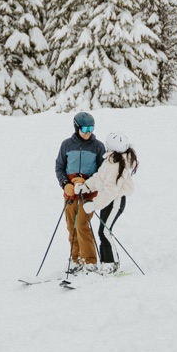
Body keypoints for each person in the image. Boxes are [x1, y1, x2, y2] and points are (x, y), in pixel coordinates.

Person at [54, 111, 105, 272]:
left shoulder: (98, 146)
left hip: (88, 194)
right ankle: (75, 259)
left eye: (91, 128)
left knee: (82, 223)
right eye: (85, 128)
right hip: (70, 193)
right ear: (77, 128)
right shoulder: (66, 145)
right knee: (72, 226)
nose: (88, 132)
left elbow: (102, 171)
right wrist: (65, 184)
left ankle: (89, 260)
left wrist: (88, 183)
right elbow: (59, 167)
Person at [82, 131, 138, 273]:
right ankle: (106, 262)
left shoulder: (117, 165)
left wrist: (94, 205)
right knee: (103, 231)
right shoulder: (111, 161)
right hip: (109, 201)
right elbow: (99, 177)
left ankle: (113, 264)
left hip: (115, 201)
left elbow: (110, 191)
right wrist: (86, 186)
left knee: (105, 232)